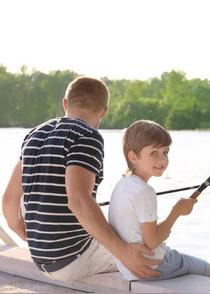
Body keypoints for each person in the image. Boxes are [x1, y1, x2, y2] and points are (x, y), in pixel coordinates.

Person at [2, 76, 160, 281]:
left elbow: (8, 201)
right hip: (73, 258)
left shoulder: (35, 134)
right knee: (155, 257)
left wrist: (33, 241)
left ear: (65, 103)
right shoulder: (88, 136)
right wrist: (123, 252)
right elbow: (78, 200)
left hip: (41, 259)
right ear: (104, 110)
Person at [108, 120, 210, 281]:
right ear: (133, 157)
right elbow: (152, 242)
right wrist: (176, 212)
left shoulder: (123, 184)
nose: (162, 160)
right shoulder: (144, 191)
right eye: (154, 153)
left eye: (165, 152)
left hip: (127, 268)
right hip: (154, 266)